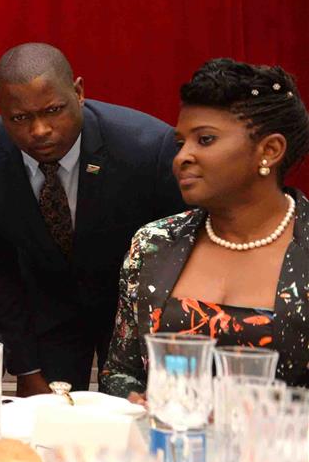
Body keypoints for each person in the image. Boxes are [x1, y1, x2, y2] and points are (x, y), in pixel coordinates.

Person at [0, 43, 186, 393]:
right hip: (46, 314)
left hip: (135, 315)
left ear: (78, 91)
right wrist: (26, 367)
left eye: (53, 110)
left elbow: (182, 253)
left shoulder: (148, 147)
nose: (40, 130)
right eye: (20, 118)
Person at [103, 59, 308, 396]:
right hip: (168, 444)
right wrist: (133, 399)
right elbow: (121, 373)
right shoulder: (154, 244)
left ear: (269, 150)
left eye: (206, 140)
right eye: (180, 143)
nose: (182, 157)